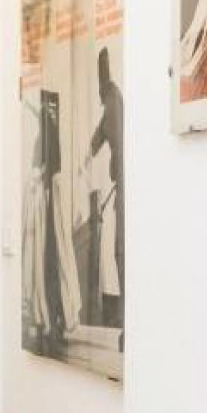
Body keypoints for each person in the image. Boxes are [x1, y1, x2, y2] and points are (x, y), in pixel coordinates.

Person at [88, 47, 124, 325]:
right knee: (118, 250)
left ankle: (123, 317)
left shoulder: (112, 101)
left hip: (123, 186)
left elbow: (102, 135)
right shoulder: (114, 101)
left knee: (120, 250)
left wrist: (90, 150)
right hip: (120, 183)